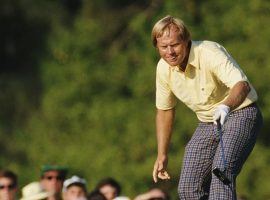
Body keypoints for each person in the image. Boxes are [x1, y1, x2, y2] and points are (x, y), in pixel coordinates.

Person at [151, 15, 263, 199]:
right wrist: (162, 154)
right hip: (207, 122)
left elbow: (242, 85)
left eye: (175, 45)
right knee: (188, 188)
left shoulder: (209, 52)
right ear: (157, 46)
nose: (169, 52)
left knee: (221, 174)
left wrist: (226, 106)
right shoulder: (163, 68)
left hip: (241, 112)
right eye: (164, 47)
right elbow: (165, 110)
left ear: (186, 41)